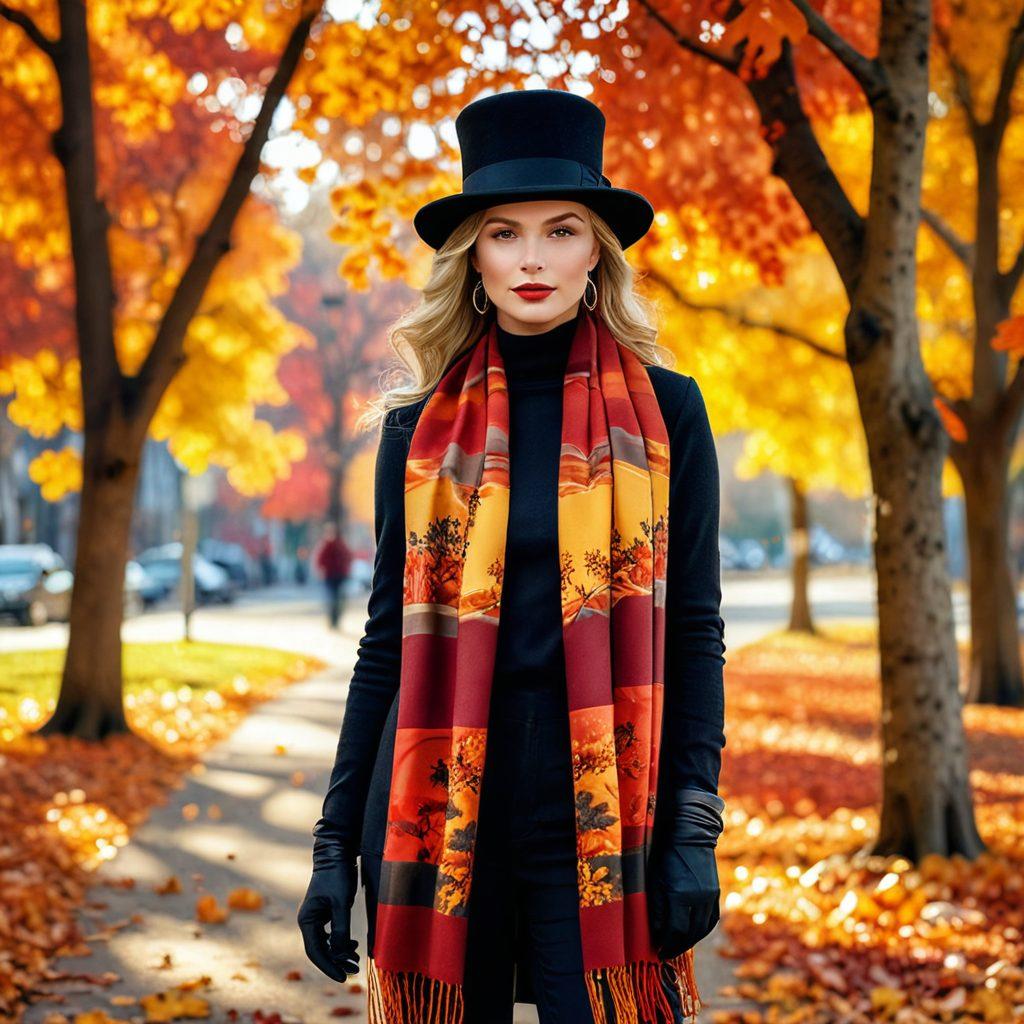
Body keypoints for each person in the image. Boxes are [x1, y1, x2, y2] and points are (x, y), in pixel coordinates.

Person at [297, 88, 727, 1024]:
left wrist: (696, 823)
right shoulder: (415, 433)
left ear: (595, 254)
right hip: (443, 817)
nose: (532, 258)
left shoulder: (668, 415)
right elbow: (384, 645)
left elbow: (695, 630)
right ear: (474, 258)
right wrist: (335, 845)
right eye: (504, 233)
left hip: (609, 814)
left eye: (561, 230)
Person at [314, 522, 354, 630]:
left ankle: (336, 620)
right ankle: (332, 620)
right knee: (331, 598)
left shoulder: (340, 544)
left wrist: (346, 569)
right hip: (329, 576)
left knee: (338, 599)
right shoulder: (326, 545)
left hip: (339, 576)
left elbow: (348, 557)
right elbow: (319, 560)